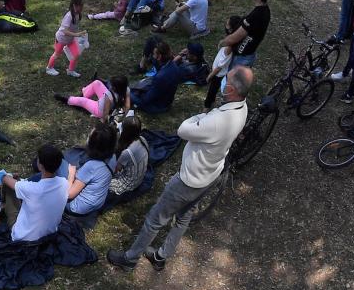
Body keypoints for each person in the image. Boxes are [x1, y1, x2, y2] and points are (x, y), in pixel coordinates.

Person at [109, 68, 252, 269]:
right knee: (183, 217)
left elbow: (183, 130)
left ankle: (130, 259)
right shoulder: (242, 108)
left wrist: (199, 118)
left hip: (189, 179)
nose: (222, 84)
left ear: (231, 89)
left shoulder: (218, 120)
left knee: (154, 219)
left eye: (225, 81)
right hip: (210, 174)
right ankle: (161, 256)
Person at [0, 144, 68, 242]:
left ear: (40, 165)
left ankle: (0, 204)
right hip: (49, 235)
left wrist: (7, 175)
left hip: (22, 237)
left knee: (9, 187)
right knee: (18, 185)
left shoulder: (32, 189)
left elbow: (4, 178)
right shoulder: (64, 183)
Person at [219, 0, 273, 69]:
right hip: (248, 55)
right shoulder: (266, 10)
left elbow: (234, 38)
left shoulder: (255, 15)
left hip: (241, 59)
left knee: (231, 82)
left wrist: (222, 42)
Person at [64, 125, 116, 216]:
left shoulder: (91, 166)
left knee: (62, 168)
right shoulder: (113, 157)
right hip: (98, 203)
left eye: (89, 136)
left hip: (76, 207)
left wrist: (71, 174)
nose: (88, 138)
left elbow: (69, 194)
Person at [108, 115, 148, 201]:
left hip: (129, 182)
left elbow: (114, 170)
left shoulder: (127, 153)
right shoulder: (142, 139)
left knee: (101, 182)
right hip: (139, 176)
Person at [46, 0, 87, 78]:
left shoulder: (78, 14)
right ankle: (49, 68)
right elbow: (64, 31)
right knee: (56, 54)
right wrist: (76, 35)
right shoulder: (69, 16)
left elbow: (74, 27)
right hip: (61, 39)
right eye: (81, 5)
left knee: (75, 54)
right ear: (75, 5)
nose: (83, 7)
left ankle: (70, 71)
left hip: (70, 39)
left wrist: (80, 34)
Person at [57, 74, 130, 120]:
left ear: (115, 88)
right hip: (106, 101)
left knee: (83, 101)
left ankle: (68, 100)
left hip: (98, 109)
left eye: (112, 85)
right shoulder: (126, 90)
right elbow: (127, 106)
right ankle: (84, 94)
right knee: (97, 83)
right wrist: (123, 116)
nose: (110, 86)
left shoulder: (109, 95)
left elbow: (105, 113)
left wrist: (104, 121)